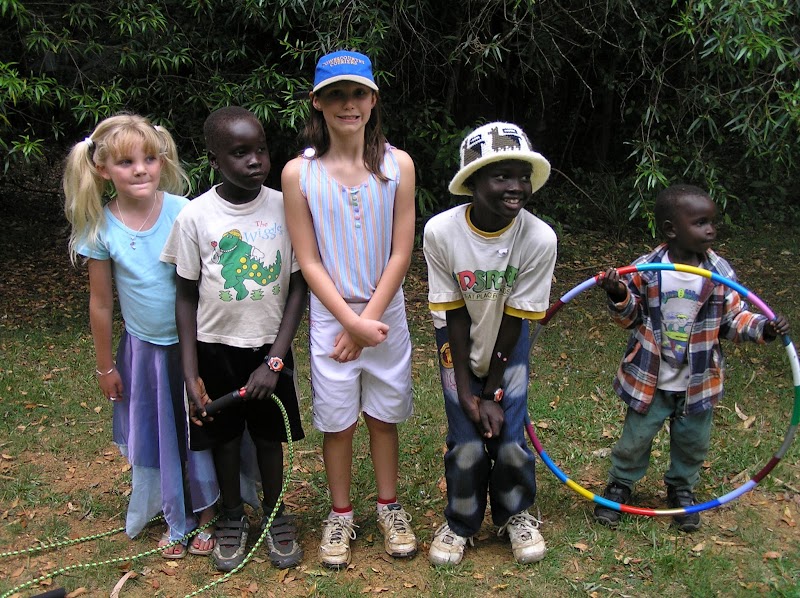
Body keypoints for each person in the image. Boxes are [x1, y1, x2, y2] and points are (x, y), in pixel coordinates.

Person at [281, 50, 417, 569]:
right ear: (317, 101)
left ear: (373, 99)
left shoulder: (396, 165)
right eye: (336, 94)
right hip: (331, 317)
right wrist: (348, 323)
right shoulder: (300, 173)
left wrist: (366, 325)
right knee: (338, 422)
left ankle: (389, 506)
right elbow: (309, 259)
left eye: (358, 93)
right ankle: (340, 514)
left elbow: (401, 251)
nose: (348, 104)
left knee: (384, 415)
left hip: (386, 315)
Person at [63, 113, 217, 559]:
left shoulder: (183, 210)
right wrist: (106, 364)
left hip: (194, 346)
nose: (140, 169)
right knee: (161, 431)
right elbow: (101, 302)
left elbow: (206, 279)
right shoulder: (100, 226)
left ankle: (209, 512)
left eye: (149, 158)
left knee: (198, 426)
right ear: (102, 168)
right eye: (127, 162)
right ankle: (175, 515)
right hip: (145, 351)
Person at [593, 183, 790, 532]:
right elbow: (630, 317)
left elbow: (733, 319)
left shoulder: (720, 274)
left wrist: (765, 328)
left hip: (698, 379)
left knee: (692, 443)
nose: (711, 230)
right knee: (635, 438)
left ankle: (680, 491)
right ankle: (620, 485)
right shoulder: (646, 269)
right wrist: (619, 292)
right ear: (671, 230)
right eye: (700, 223)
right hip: (650, 376)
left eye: (712, 222)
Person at [161, 106, 307, 571]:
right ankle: (229, 515)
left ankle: (275, 514)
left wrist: (276, 360)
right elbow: (184, 297)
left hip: (269, 348)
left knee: (269, 438)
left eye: (261, 149)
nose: (255, 161)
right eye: (240, 153)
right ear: (215, 159)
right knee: (224, 439)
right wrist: (190, 374)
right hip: (213, 349)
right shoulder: (196, 217)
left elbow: (300, 284)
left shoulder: (287, 207)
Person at [423, 121, 557, 566]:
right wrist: (467, 391)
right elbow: (454, 314)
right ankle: (461, 522)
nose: (516, 187)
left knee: (510, 436)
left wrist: (494, 391)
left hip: (509, 340)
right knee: (465, 437)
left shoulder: (538, 238)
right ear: (473, 182)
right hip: (456, 343)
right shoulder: (441, 232)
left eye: (523, 176)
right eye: (502, 176)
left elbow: (518, 319)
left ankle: (515, 514)